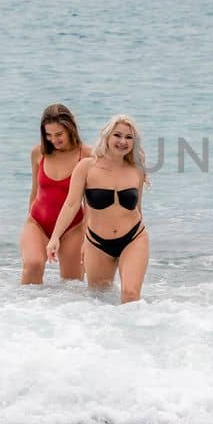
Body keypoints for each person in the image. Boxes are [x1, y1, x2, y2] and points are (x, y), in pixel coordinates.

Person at [47, 114, 151, 302]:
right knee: (99, 299)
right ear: (107, 137)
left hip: (134, 237)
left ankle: (135, 331)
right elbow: (71, 205)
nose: (123, 141)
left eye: (129, 137)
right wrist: (55, 237)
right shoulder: (87, 167)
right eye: (117, 135)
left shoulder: (137, 169)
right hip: (97, 243)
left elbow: (138, 209)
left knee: (130, 295)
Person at [19, 103, 92, 284]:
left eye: (59, 134)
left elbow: (90, 203)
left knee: (72, 284)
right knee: (33, 264)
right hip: (38, 223)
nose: (54, 140)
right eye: (48, 135)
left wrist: (88, 237)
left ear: (70, 129)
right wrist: (29, 219)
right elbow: (35, 191)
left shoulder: (88, 155)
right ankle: (22, 311)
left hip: (73, 228)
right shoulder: (39, 153)